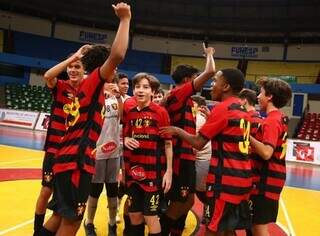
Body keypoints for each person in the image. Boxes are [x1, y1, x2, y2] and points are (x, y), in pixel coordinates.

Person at [39, 3, 131, 236]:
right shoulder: (93, 83)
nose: (116, 68)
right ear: (103, 67)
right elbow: (118, 53)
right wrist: (125, 19)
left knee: (59, 215)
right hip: (76, 163)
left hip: (67, 160)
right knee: (72, 222)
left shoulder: (89, 89)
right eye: (113, 67)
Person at [160, 68, 253, 236]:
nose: (211, 85)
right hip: (243, 178)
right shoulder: (242, 108)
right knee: (228, 229)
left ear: (225, 86)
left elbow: (198, 143)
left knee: (212, 228)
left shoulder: (222, 108)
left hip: (225, 179)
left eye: (215, 80)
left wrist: (176, 130)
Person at [33, 45, 89, 236]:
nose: (73, 70)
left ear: (85, 71)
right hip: (54, 151)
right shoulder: (61, 87)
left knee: (62, 202)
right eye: (71, 67)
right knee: (45, 192)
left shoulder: (87, 91)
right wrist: (74, 56)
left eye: (78, 67)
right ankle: (36, 231)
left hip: (73, 154)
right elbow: (48, 75)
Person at [160, 44, 215, 236]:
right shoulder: (179, 93)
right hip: (180, 159)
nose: (197, 82)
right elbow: (210, 71)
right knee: (180, 202)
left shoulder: (189, 101)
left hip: (188, 157)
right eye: (194, 78)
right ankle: (162, 230)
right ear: (187, 80)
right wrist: (208, 54)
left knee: (189, 201)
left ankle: (173, 231)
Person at [123, 73, 173, 236]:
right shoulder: (129, 112)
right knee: (134, 215)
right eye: (137, 87)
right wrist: (126, 140)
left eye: (145, 87)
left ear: (153, 92)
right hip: (133, 174)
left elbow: (168, 143)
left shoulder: (161, 112)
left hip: (153, 174)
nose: (140, 90)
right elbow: (125, 137)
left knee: (151, 217)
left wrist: (169, 172)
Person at [248, 78, 292, 236]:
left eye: (261, 93)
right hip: (271, 178)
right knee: (254, 226)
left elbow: (267, 152)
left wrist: (246, 136)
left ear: (270, 96)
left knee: (258, 227)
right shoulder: (279, 118)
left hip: (265, 180)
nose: (258, 97)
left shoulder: (271, 121)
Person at [83, 79, 123, 236]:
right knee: (95, 190)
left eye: (113, 82)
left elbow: (122, 116)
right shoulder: (93, 98)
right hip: (97, 152)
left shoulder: (119, 99)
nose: (111, 84)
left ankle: (112, 224)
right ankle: (89, 223)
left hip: (114, 152)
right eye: (107, 82)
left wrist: (118, 97)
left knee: (113, 190)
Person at [190, 95, 212, 224]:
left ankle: (209, 211)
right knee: (200, 189)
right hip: (201, 157)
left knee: (201, 190)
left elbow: (195, 142)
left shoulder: (198, 119)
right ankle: (208, 211)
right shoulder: (200, 118)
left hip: (202, 158)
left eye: (192, 104)